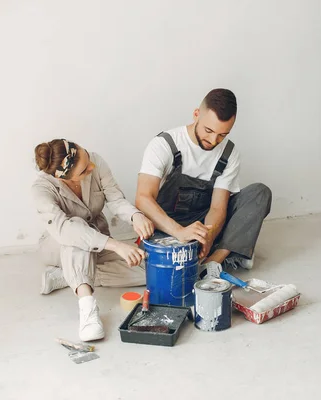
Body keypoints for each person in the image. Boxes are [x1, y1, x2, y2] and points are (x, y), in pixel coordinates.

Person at [135, 88, 272, 274]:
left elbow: (217, 208)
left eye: (223, 134)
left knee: (259, 193)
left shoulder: (229, 153)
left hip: (203, 222)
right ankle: (235, 249)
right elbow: (143, 199)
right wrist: (179, 232)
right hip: (167, 224)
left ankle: (214, 261)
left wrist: (208, 236)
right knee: (160, 267)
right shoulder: (164, 144)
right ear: (196, 115)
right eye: (209, 130)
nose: (213, 140)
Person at [32, 139, 155, 341]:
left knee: (148, 270)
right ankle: (87, 308)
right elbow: (65, 231)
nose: (92, 167)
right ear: (63, 179)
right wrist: (116, 246)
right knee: (77, 232)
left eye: (87, 158)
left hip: (98, 240)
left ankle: (68, 276)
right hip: (58, 246)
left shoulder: (95, 161)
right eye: (84, 171)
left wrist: (135, 216)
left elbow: (115, 199)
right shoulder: (41, 189)